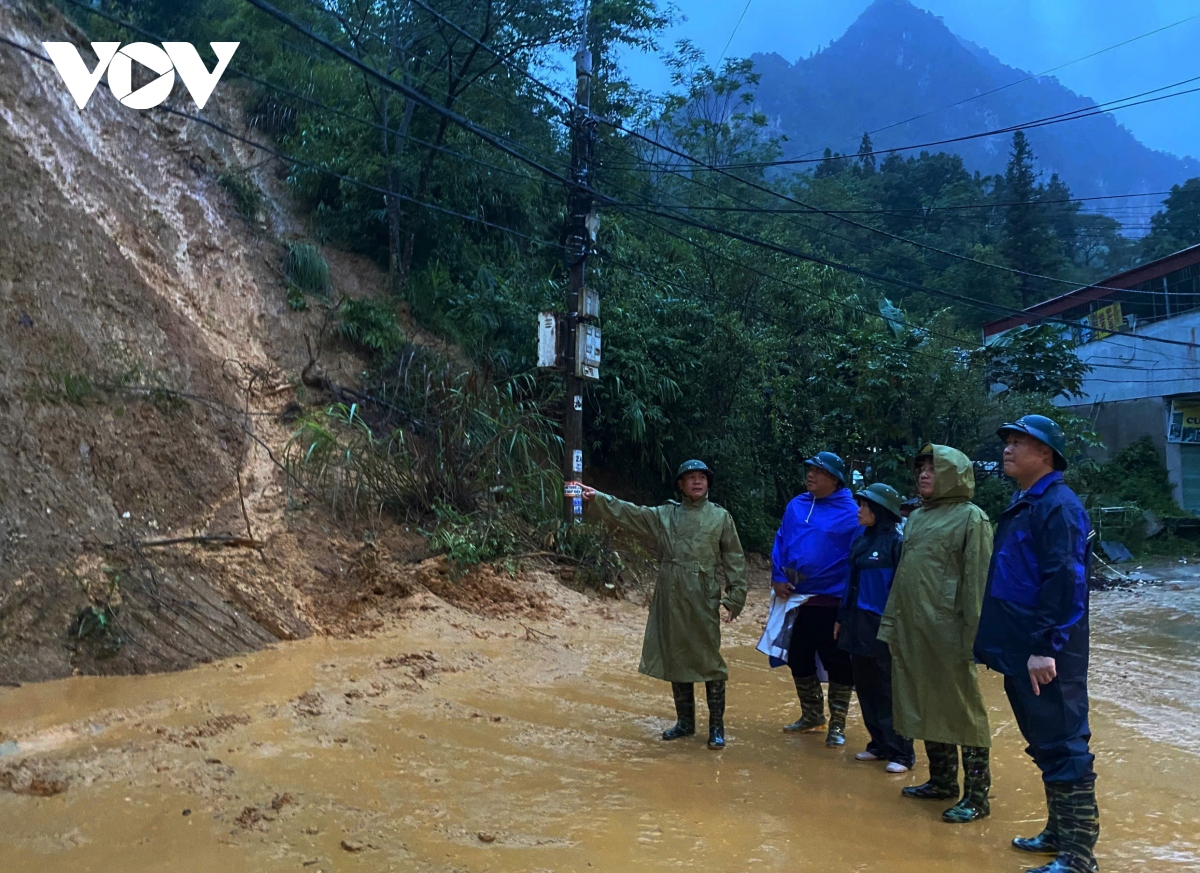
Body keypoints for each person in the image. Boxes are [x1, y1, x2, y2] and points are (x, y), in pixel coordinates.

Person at [974, 416, 1100, 873]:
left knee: (1066, 744)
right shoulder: (1026, 502)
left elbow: (1066, 581)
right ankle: (1059, 835)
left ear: (1045, 453)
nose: (1008, 449)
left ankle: (1080, 857)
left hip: (1047, 650)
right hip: (1022, 647)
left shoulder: (1058, 506)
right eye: (1007, 441)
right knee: (1046, 743)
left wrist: (1046, 646)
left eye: (1019, 442)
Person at [582, 460, 747, 750]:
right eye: (690, 478)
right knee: (675, 654)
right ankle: (685, 723)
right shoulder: (665, 515)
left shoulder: (720, 517)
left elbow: (734, 557)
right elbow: (630, 513)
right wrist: (598, 498)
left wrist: (734, 599)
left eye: (702, 478)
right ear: (681, 485)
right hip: (670, 592)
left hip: (702, 593)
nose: (697, 482)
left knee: (708, 659)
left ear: (708, 483)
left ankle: (716, 727)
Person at [878, 444, 993, 824]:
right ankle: (942, 781)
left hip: (950, 631)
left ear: (953, 474)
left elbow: (977, 583)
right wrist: (891, 625)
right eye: (921, 468)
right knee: (923, 702)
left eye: (933, 468)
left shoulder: (972, 519)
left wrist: (976, 639)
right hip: (914, 628)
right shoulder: (916, 519)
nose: (924, 474)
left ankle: (977, 796)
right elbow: (903, 578)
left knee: (964, 712)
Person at [770, 452, 860, 747]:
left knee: (837, 662)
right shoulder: (796, 505)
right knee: (797, 657)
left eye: (818, 471)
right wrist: (777, 575)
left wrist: (850, 604)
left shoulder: (851, 512)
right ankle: (812, 716)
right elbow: (781, 540)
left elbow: (857, 558)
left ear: (834, 479)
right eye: (809, 469)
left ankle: (837, 724)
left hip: (832, 600)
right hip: (796, 599)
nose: (810, 474)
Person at [835, 483, 914, 773]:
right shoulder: (860, 540)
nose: (858, 511)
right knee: (865, 686)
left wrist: (898, 627)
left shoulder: (897, 542)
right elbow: (850, 584)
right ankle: (878, 744)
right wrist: (841, 618)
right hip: (857, 623)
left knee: (888, 688)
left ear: (879, 511)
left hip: (883, 624)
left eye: (863, 507)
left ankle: (902, 753)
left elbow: (902, 590)